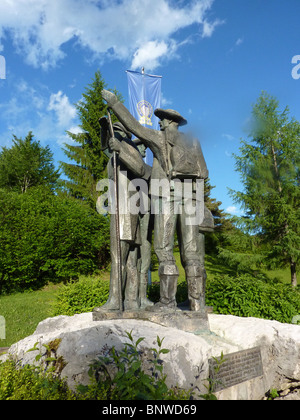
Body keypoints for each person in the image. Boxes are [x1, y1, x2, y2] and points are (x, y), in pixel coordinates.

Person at [101, 90, 209, 313]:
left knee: (164, 249)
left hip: (166, 195)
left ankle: (167, 303)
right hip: (191, 199)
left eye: (162, 120)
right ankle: (197, 304)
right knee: (191, 252)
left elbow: (134, 127)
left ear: (169, 122)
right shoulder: (193, 141)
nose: (159, 123)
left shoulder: (160, 138)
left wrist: (114, 103)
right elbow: (204, 173)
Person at [97, 119, 152, 311]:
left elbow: (140, 169)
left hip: (126, 209)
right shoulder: (114, 151)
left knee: (118, 255)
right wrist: (105, 128)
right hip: (121, 207)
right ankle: (130, 301)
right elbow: (105, 145)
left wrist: (120, 148)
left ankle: (115, 301)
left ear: (122, 134)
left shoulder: (128, 148)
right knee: (129, 258)